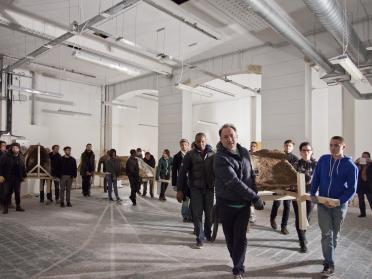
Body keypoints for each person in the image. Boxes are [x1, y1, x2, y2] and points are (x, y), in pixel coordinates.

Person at [214, 124, 264, 279]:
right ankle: (236, 261)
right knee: (230, 239)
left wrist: (255, 193)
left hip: (243, 206)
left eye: (232, 135)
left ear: (237, 136)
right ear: (221, 139)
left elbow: (250, 176)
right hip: (226, 205)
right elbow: (234, 182)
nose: (230, 139)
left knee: (241, 238)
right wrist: (254, 197)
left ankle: (238, 269)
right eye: (225, 137)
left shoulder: (244, 152)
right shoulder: (220, 158)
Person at [310, 136, 357, 277]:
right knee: (326, 234)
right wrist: (313, 193)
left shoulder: (350, 166)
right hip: (323, 202)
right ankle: (329, 263)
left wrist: (340, 201)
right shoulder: (324, 160)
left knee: (334, 235)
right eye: (331, 145)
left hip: (339, 205)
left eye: (336, 145)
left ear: (343, 147)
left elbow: (352, 189)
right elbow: (316, 176)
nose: (333, 148)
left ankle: (328, 255)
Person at [177, 133, 214, 248]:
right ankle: (200, 238)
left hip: (209, 189)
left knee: (209, 214)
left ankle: (208, 232)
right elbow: (182, 173)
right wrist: (179, 190)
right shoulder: (190, 155)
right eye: (198, 141)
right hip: (195, 189)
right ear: (195, 142)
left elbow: (218, 171)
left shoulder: (213, 154)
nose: (201, 144)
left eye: (203, 141)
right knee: (197, 215)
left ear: (206, 141)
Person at [292, 142, 317, 253]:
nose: (306, 152)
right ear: (300, 152)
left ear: (311, 151)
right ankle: (302, 242)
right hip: (298, 195)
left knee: (307, 218)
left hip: (311, 194)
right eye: (303, 150)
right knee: (299, 217)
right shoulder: (296, 164)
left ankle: (303, 235)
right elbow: (291, 178)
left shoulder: (317, 164)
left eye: (308, 150)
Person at [270, 139, 298, 235]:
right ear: (284, 146)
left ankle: (284, 226)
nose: (288, 147)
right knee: (276, 203)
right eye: (286, 145)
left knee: (287, 206)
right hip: (278, 184)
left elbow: (295, 173)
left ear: (292, 147)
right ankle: (272, 218)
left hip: (289, 186)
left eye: (290, 146)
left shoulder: (295, 158)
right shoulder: (279, 156)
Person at [0, 142, 27, 214]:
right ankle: (5, 208)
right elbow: (1, 166)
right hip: (7, 178)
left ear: (19, 148)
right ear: (11, 148)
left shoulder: (21, 156)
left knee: (17, 193)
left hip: (17, 178)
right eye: (14, 147)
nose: (16, 149)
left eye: (17, 147)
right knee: (6, 193)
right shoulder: (6, 156)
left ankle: (18, 206)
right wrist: (1, 175)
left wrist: (24, 176)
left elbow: (23, 167)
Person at [173, 139, 192, 222]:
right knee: (185, 199)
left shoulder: (192, 155)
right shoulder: (177, 157)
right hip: (182, 181)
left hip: (192, 181)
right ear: (180, 146)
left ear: (188, 145)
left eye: (185, 145)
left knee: (193, 199)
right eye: (182, 145)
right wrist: (174, 184)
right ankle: (185, 215)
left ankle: (191, 215)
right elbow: (174, 171)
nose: (184, 146)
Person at [355, 152, 372, 217]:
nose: (364, 158)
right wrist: (356, 162)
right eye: (362, 156)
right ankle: (363, 213)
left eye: (365, 156)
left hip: (368, 185)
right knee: (361, 200)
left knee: (370, 199)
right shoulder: (359, 165)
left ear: (368, 158)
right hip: (360, 185)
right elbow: (352, 167)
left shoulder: (371, 164)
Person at [249, 141, 259, 224]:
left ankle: (252, 215)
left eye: (254, 146)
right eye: (251, 146)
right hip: (248, 179)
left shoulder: (259, 156)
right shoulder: (246, 154)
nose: (252, 147)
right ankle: (251, 216)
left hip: (257, 179)